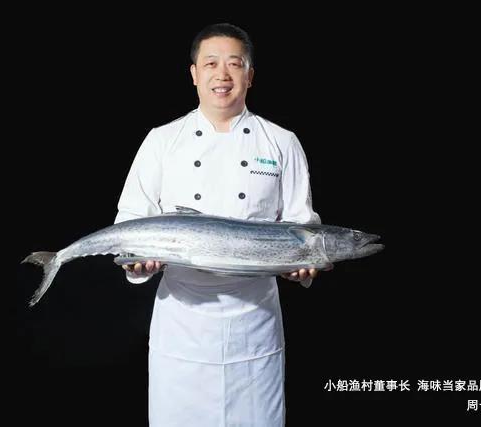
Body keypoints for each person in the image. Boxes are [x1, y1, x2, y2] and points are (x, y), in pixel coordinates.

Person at [114, 23, 331, 427]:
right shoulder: (162, 140)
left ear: (250, 75)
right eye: (211, 63)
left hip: (255, 325)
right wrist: (136, 262)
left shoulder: (282, 142)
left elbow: (302, 228)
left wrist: (303, 268)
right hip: (182, 328)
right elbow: (130, 221)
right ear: (194, 74)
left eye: (235, 64)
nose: (223, 75)